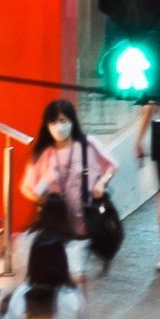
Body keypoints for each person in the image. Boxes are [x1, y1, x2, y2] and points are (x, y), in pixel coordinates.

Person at [23, 98, 117, 265]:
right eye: (53, 122)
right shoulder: (44, 154)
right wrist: (39, 198)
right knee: (69, 273)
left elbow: (112, 166)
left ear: (72, 121)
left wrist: (102, 183)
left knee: (77, 273)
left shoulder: (87, 144)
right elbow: (27, 187)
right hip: (57, 225)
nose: (59, 127)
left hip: (86, 222)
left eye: (62, 121)